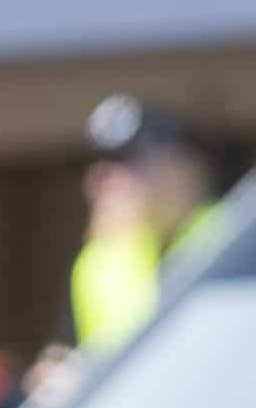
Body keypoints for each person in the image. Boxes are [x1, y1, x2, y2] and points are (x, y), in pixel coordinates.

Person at [65, 93, 219, 361]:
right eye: (100, 166)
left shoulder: (233, 237)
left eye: (130, 163)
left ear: (186, 169)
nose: (105, 181)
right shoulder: (102, 259)